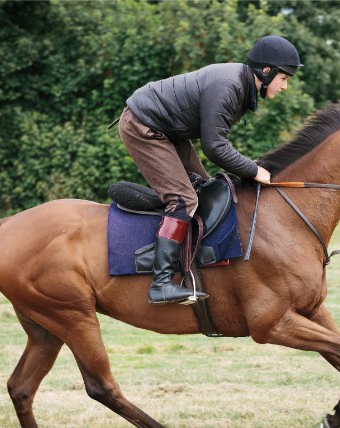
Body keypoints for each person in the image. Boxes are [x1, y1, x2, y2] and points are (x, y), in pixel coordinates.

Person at [118, 35, 303, 305]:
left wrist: (249, 169)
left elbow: (216, 144)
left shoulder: (240, 84)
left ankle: (191, 262)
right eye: (284, 78)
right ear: (267, 71)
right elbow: (215, 147)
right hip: (144, 125)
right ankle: (160, 284)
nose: (285, 86)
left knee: (205, 190)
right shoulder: (229, 86)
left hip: (167, 129)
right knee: (184, 199)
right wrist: (253, 170)